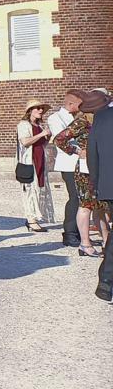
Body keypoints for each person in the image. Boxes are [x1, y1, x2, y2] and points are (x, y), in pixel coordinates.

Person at [53, 91, 110, 257]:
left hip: (99, 166)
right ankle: (85, 244)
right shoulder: (82, 121)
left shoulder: (101, 119)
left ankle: (107, 243)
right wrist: (77, 151)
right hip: (85, 169)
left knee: (100, 206)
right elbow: (59, 139)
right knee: (86, 205)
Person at [45, 90, 85, 248]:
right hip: (69, 163)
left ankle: (81, 233)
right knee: (75, 197)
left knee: (83, 198)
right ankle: (69, 233)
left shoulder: (81, 116)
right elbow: (59, 140)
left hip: (83, 163)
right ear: (70, 104)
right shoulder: (55, 118)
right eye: (80, 104)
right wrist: (78, 151)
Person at [84, 93, 113, 301]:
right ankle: (106, 279)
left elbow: (91, 152)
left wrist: (95, 182)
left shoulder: (101, 117)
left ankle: (106, 279)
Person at [16, 100, 55, 232]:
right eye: (37, 108)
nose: (40, 110)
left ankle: (34, 217)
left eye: (42, 108)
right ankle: (31, 220)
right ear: (30, 111)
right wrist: (41, 134)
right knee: (29, 190)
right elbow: (25, 142)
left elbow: (42, 144)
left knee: (39, 190)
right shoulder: (23, 125)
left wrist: (47, 137)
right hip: (29, 162)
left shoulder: (39, 125)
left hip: (40, 160)